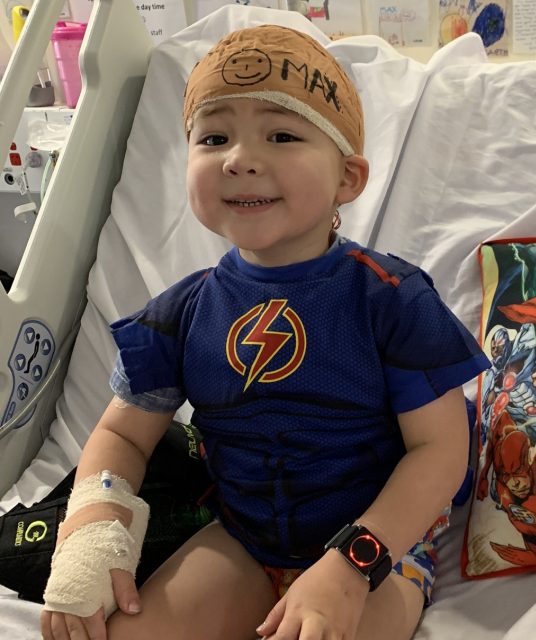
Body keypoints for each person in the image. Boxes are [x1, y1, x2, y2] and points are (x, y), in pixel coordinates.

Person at [40, 25, 489, 640]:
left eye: (281, 135)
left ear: (348, 179)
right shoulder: (184, 312)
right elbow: (123, 432)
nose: (239, 158)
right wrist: (92, 533)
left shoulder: (390, 299)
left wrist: (352, 566)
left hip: (375, 545)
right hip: (245, 539)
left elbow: (440, 452)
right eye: (214, 136)